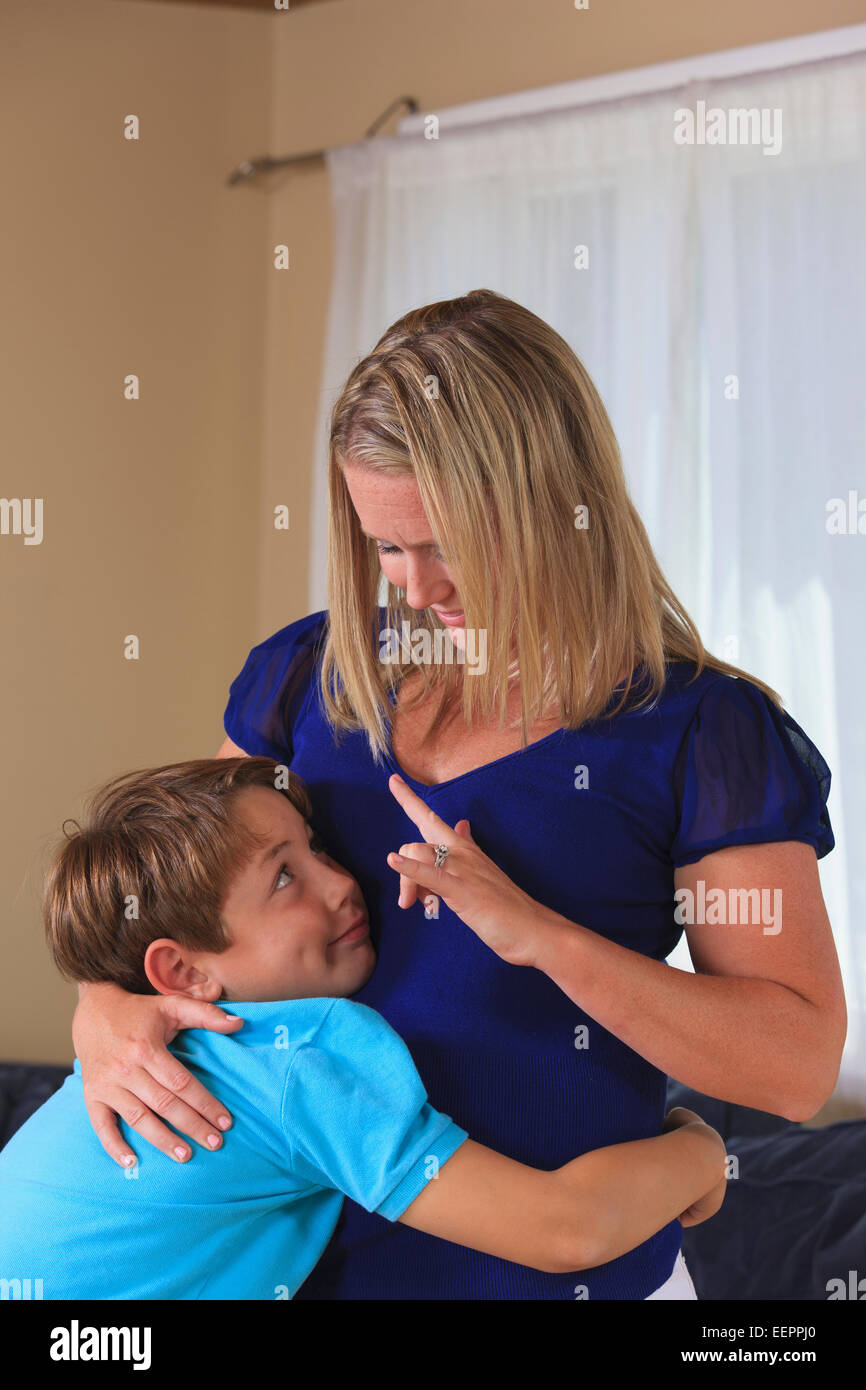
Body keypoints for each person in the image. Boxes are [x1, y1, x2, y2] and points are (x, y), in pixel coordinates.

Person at [71, 288, 846, 1300]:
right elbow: (162, 894)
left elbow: (791, 1067)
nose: (415, 588)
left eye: (447, 544)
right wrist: (102, 1006)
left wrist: (543, 938)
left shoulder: (699, 732)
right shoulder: (304, 679)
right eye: (385, 546)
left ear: (552, 506)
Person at [0, 756, 726, 1299]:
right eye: (285, 878)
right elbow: (565, 1228)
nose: (343, 881)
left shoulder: (136, 1051)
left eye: (314, 848)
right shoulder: (289, 1065)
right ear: (184, 975)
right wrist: (699, 1151)